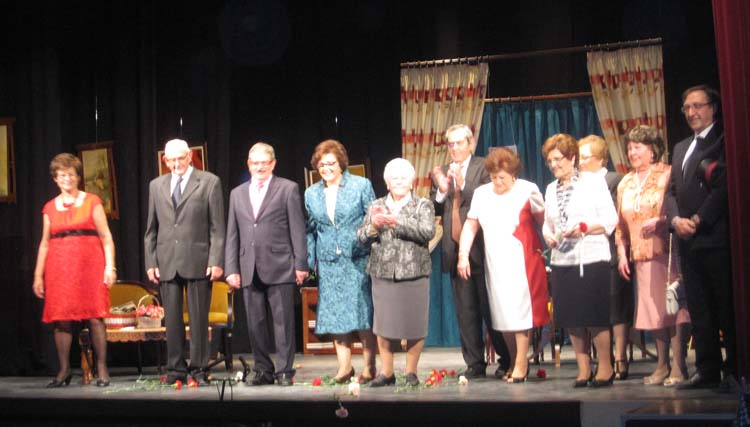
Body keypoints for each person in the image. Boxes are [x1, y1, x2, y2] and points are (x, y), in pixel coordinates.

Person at [457, 147, 549, 383]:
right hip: (495, 262)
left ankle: (520, 363)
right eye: (494, 177)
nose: (498, 182)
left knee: (520, 313)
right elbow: (470, 225)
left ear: (513, 174)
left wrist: (551, 240)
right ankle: (514, 357)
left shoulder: (528, 190)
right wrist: (463, 255)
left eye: (503, 178)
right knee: (502, 316)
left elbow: (544, 221)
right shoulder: (482, 193)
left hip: (522, 260)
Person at [665, 85, 735, 389]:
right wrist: (676, 219)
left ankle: (734, 367)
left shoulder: (724, 140)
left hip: (715, 237)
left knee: (725, 305)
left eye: (698, 106)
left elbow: (725, 187)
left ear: (713, 108)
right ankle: (707, 368)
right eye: (687, 107)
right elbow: (670, 192)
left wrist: (698, 218)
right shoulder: (681, 147)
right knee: (699, 306)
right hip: (687, 240)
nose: (692, 112)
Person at [225, 142, 308, 386]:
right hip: (248, 266)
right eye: (255, 163)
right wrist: (231, 269)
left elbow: (297, 228)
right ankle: (263, 369)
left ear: (273, 164)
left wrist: (301, 264)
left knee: (283, 323)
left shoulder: (287, 188)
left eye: (264, 162)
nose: (260, 167)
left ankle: (284, 371)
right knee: (255, 323)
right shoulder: (237, 193)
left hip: (281, 264)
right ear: (249, 165)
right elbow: (232, 233)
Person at [430, 124, 510, 379]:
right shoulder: (442, 171)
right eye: (450, 144)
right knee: (466, 311)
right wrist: (443, 192)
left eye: (459, 143)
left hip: (482, 247)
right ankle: (475, 363)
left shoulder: (485, 167)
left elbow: (491, 199)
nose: (454, 148)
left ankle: (506, 360)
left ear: (470, 143)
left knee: (490, 308)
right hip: (454, 249)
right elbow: (434, 205)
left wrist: (463, 186)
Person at [144, 139, 225, 386]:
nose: (176, 164)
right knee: (172, 320)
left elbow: (217, 228)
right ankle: (175, 368)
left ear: (190, 156)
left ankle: (199, 368)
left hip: (199, 259)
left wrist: (216, 259)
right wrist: (151, 261)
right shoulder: (156, 185)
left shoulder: (209, 182)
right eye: (171, 160)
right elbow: (151, 229)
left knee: (199, 318)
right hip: (167, 259)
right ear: (165, 160)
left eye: (181, 158)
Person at [615, 125, 691, 387]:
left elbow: (678, 208)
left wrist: (661, 221)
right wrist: (622, 253)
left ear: (653, 149)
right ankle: (662, 365)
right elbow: (620, 225)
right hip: (641, 257)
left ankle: (679, 366)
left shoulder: (667, 174)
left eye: (638, 147)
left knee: (674, 310)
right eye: (630, 147)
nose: (632, 152)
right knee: (655, 313)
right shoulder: (625, 182)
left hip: (667, 252)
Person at [33, 153, 116, 387]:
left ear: (78, 177)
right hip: (59, 268)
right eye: (61, 176)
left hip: (90, 265)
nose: (66, 179)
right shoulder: (49, 208)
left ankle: (101, 367)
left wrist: (110, 266)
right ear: (55, 179)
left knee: (95, 316)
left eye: (70, 174)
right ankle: (64, 370)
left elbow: (106, 236)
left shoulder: (92, 201)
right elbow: (45, 243)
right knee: (61, 319)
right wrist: (38, 275)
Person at [541, 133, 618, 388]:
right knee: (572, 317)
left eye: (559, 159)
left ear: (572, 157)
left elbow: (610, 220)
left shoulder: (593, 182)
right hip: (563, 259)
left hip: (591, 257)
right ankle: (584, 369)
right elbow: (547, 224)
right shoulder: (551, 189)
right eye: (550, 161)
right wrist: (549, 236)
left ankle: (605, 367)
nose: (554, 165)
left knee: (594, 315)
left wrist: (584, 227)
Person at [305, 140, 378, 384]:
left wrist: (364, 243)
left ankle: (369, 367)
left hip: (357, 259)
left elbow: (373, 219)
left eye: (331, 163)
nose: (326, 168)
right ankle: (344, 368)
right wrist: (310, 260)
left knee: (363, 313)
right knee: (336, 316)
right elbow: (311, 229)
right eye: (322, 164)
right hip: (329, 264)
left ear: (341, 164)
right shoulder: (311, 193)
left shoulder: (360, 185)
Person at [357, 158, 435, 387]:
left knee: (415, 324)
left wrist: (395, 222)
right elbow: (360, 237)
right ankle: (387, 372)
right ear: (387, 183)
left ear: (412, 183)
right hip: (383, 272)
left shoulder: (423, 205)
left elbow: (427, 231)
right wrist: (373, 226)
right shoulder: (375, 205)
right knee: (384, 325)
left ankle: (411, 372)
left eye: (403, 178)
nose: (399, 182)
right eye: (394, 178)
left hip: (415, 272)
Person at [578, 135, 633, 381]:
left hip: (611, 248)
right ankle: (601, 360)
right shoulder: (576, 183)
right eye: (577, 157)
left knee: (615, 306)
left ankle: (620, 357)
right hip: (585, 253)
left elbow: (616, 216)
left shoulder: (613, 180)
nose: (579, 162)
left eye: (584, 157)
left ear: (600, 159)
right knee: (593, 308)